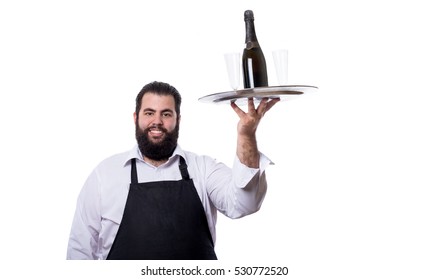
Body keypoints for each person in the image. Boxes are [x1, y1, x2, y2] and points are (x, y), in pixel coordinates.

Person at [66, 81, 279, 260]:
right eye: (149, 113)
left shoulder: (203, 168)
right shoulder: (105, 174)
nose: (157, 122)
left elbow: (245, 204)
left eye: (166, 114)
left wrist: (246, 135)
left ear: (178, 120)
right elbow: (80, 252)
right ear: (135, 118)